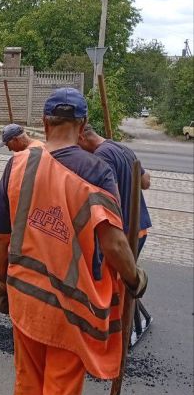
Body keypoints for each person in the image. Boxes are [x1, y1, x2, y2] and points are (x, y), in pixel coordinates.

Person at [0, 87, 147, 395]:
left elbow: (1, 238)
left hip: (24, 297)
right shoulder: (96, 171)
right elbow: (114, 243)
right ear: (81, 126)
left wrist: (1, 287)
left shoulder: (18, 163)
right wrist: (136, 279)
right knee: (60, 392)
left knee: (28, 379)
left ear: (43, 124)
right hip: (69, 307)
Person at [78, 124, 153, 346]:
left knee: (117, 283)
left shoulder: (101, 157)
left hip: (123, 235)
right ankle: (135, 321)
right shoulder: (122, 148)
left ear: (83, 138)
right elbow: (146, 181)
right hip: (140, 229)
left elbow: (111, 199)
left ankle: (123, 333)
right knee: (124, 277)